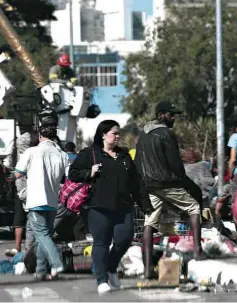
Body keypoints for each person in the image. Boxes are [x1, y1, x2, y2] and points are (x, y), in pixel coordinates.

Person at [69, 120, 153, 294]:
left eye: (118, 133)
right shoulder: (89, 153)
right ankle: (102, 280)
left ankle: (111, 268)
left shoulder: (123, 155)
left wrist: (146, 205)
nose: (118, 136)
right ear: (103, 134)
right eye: (114, 133)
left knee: (125, 238)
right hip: (97, 206)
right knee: (101, 243)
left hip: (123, 207)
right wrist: (88, 172)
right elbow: (73, 174)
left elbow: (136, 182)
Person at [135, 101, 204, 279]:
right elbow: (175, 164)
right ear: (160, 115)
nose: (173, 117)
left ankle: (148, 268)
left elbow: (138, 162)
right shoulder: (166, 133)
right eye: (170, 114)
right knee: (194, 208)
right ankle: (197, 250)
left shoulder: (143, 134)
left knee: (149, 223)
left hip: (148, 184)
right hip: (166, 183)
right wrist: (185, 183)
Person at [13, 122, 69, 280]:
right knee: (44, 237)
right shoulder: (62, 155)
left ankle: (56, 263)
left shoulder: (32, 151)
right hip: (53, 202)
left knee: (42, 236)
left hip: (36, 201)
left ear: (40, 136)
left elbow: (18, 173)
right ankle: (41, 270)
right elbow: (69, 176)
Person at [5, 131, 39, 257]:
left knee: (19, 219)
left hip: (20, 189)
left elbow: (8, 166)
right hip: (36, 190)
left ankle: (18, 247)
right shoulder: (37, 153)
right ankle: (32, 249)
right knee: (35, 219)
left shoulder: (18, 152)